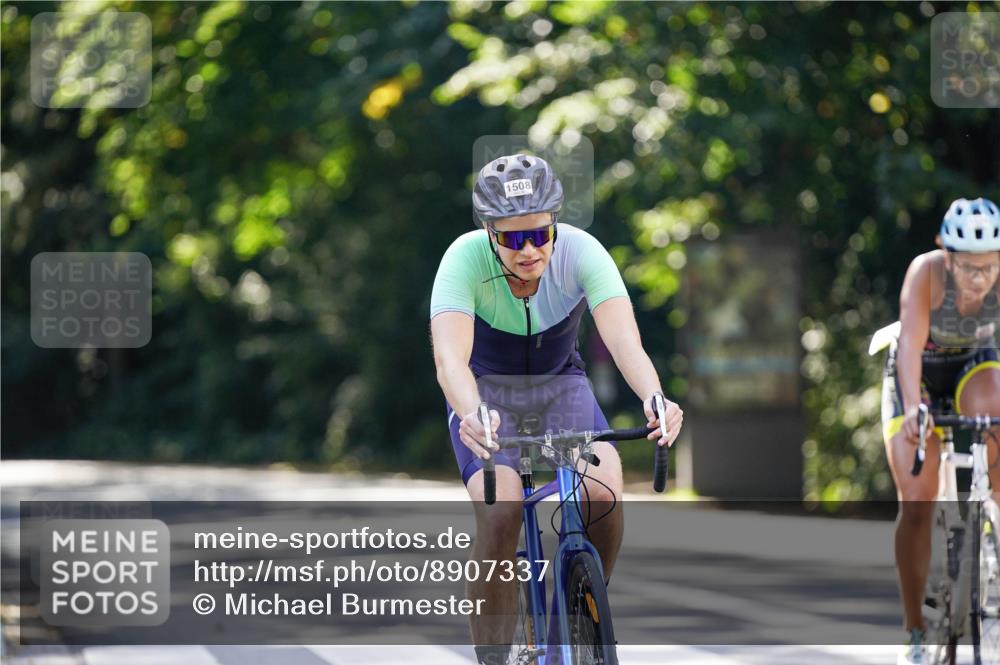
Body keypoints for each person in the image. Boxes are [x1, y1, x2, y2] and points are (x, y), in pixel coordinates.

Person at [429, 153, 683, 665]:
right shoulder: (462, 259)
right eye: (512, 239)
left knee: (605, 490)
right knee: (501, 515)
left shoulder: (582, 252)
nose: (529, 251)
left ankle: (585, 606)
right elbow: (449, 360)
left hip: (560, 386)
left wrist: (655, 396)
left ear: (555, 225)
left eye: (540, 235)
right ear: (489, 233)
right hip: (486, 393)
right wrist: (472, 411)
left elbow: (625, 342)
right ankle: (495, 658)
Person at [882, 197, 1000, 664]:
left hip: (975, 367)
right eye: (969, 267)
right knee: (916, 499)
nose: (980, 278)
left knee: (994, 408)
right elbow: (909, 345)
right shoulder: (925, 273)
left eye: (990, 267)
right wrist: (913, 408)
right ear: (945, 254)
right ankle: (914, 630)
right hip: (919, 375)